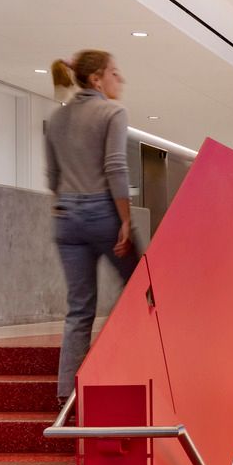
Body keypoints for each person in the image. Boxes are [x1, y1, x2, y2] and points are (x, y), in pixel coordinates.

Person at [46, 51, 139, 404]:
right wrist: (126, 220)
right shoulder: (113, 112)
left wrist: (69, 205)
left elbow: (53, 176)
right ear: (97, 79)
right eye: (116, 73)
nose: (121, 80)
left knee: (79, 309)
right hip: (103, 211)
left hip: (65, 217)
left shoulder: (57, 117)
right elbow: (116, 168)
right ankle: (126, 369)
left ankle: (66, 398)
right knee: (142, 291)